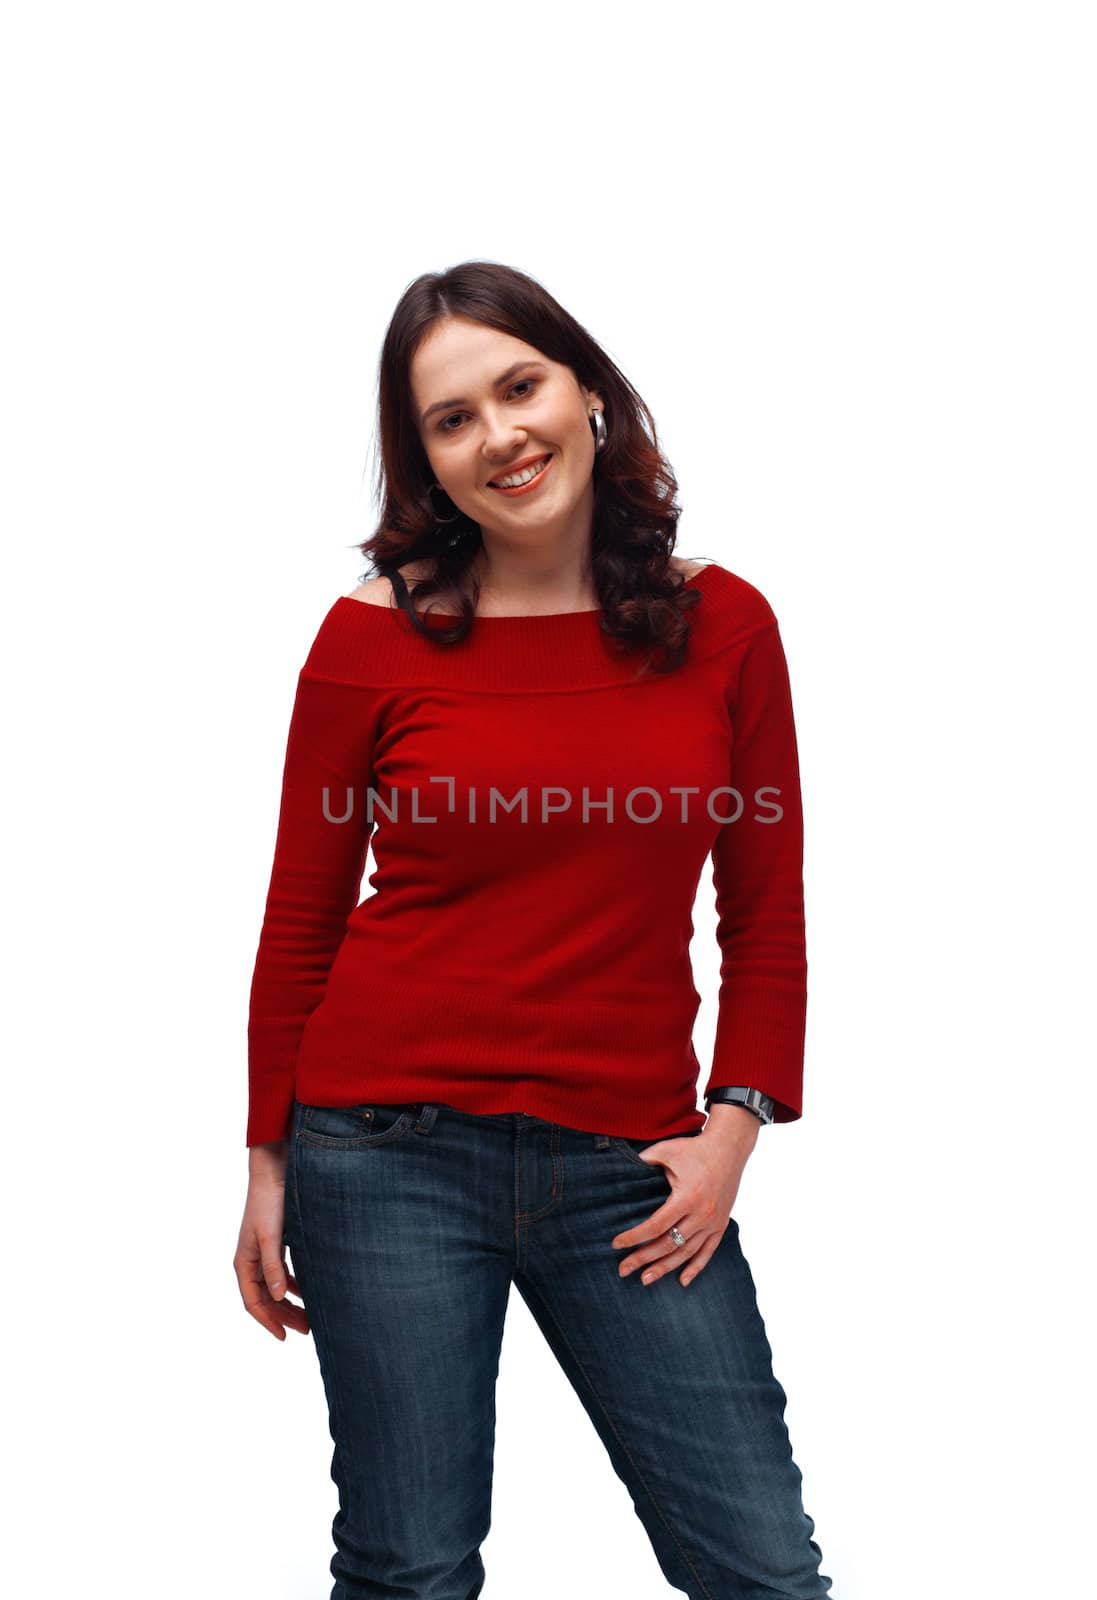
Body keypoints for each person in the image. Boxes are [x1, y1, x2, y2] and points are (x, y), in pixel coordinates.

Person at [234, 260, 834, 1600]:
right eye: (452, 419)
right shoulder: (366, 642)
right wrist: (267, 1162)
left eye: (519, 387)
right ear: (426, 463)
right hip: (381, 1157)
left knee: (761, 1567)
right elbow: (301, 918)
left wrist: (733, 1128)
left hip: (630, 1167)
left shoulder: (721, 626)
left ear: (586, 395)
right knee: (411, 1568)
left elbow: (767, 907)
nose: (499, 434)